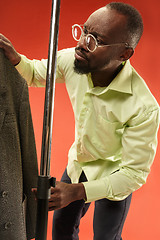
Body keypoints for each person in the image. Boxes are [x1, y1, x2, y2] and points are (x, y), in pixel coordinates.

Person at [0, 2, 159, 240]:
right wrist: (15, 58)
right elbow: (34, 73)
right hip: (79, 164)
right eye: (84, 31)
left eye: (96, 40)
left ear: (124, 54)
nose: (82, 44)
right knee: (61, 229)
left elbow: (134, 174)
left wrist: (79, 192)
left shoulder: (144, 107)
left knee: (106, 236)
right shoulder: (71, 61)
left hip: (115, 176)